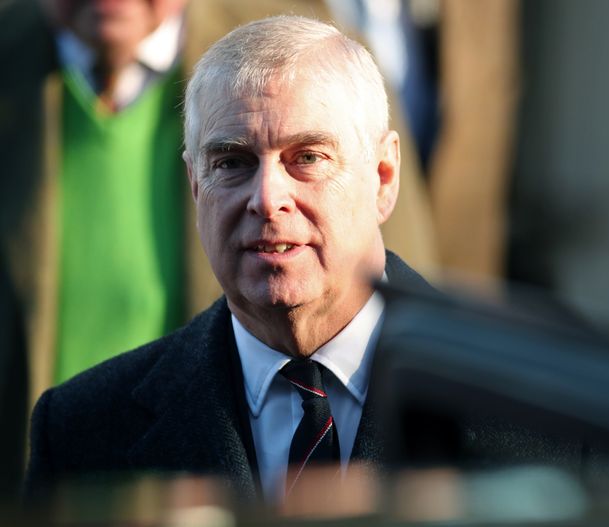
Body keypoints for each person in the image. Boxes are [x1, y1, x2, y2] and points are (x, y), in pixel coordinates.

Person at [24, 15, 434, 506]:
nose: (267, 197)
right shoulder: (82, 431)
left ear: (384, 178)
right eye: (231, 163)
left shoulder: (520, 400)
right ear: (196, 186)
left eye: (307, 157)